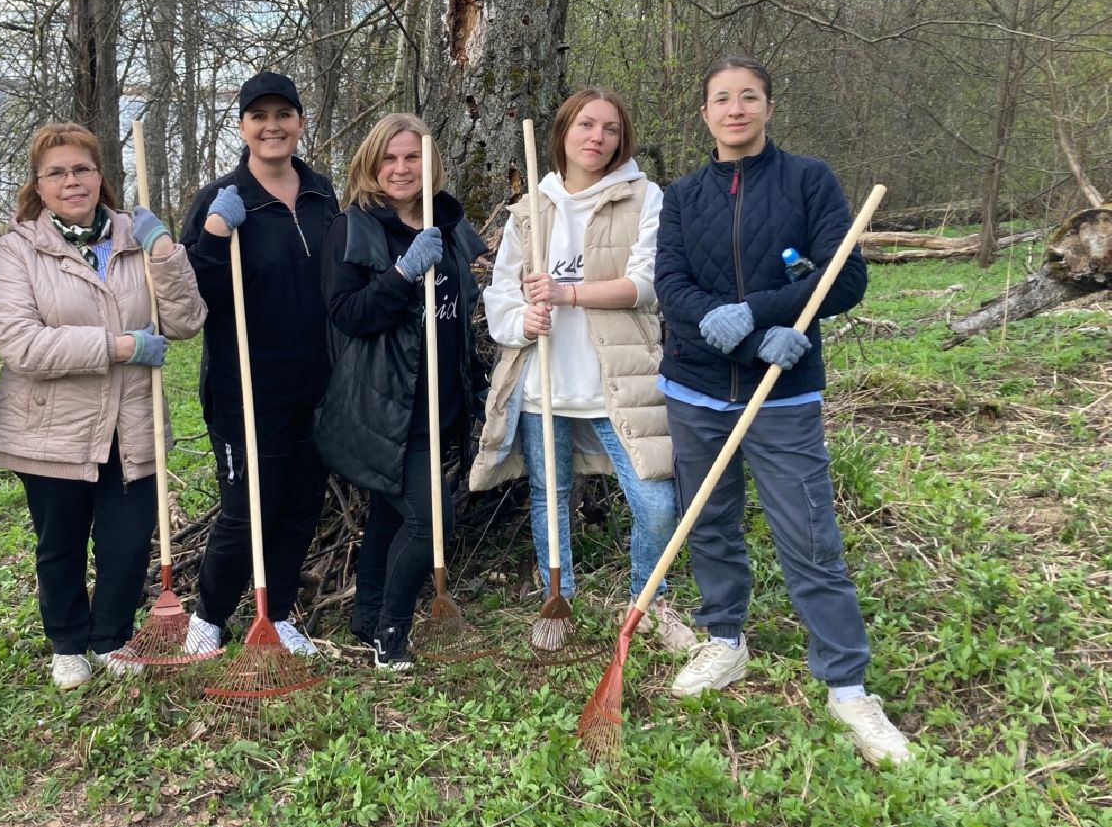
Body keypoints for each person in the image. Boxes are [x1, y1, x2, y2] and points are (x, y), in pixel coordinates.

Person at [654, 55, 912, 765]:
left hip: (782, 389)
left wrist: (765, 314)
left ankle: (847, 682)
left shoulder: (810, 180)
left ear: (768, 106)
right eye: (720, 99)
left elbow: (845, 277)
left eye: (748, 97)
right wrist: (713, 319)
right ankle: (723, 641)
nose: (734, 109)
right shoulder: (681, 195)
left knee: (809, 535)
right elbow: (669, 283)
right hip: (697, 387)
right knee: (709, 520)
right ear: (704, 113)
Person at [470, 88, 696, 652]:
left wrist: (566, 293)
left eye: (611, 129)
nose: (597, 137)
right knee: (551, 494)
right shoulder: (531, 211)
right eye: (586, 125)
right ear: (564, 132)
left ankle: (648, 600)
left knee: (656, 504)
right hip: (544, 385)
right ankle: (558, 596)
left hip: (620, 387)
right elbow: (499, 300)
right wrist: (525, 320)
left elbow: (645, 286)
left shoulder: (644, 198)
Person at [0, 123, 206, 689]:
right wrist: (120, 346)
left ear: (101, 175)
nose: (71, 181)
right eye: (56, 173)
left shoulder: (137, 237)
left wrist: (165, 252)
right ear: (38, 184)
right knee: (59, 542)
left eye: (81, 169)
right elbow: (20, 343)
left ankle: (110, 639)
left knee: (126, 543)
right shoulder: (19, 249)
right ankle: (67, 643)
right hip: (51, 427)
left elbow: (184, 321)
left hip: (131, 421)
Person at [315, 114, 487, 671]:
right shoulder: (354, 228)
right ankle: (392, 635)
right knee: (429, 520)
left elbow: (467, 307)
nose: (400, 168)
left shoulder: (454, 226)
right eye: (388, 158)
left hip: (440, 401)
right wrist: (403, 274)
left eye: (411, 157)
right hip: (385, 406)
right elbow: (347, 316)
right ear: (370, 165)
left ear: (430, 162)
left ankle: (366, 621)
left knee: (392, 519)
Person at [178, 72, 338, 656]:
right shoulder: (222, 198)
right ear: (242, 126)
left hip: (315, 384)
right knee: (247, 511)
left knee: (299, 507)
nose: (272, 127)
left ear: (299, 121)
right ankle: (209, 615)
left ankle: (281, 612)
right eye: (259, 116)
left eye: (283, 115)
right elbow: (192, 295)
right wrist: (217, 235)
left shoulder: (321, 193)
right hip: (244, 384)